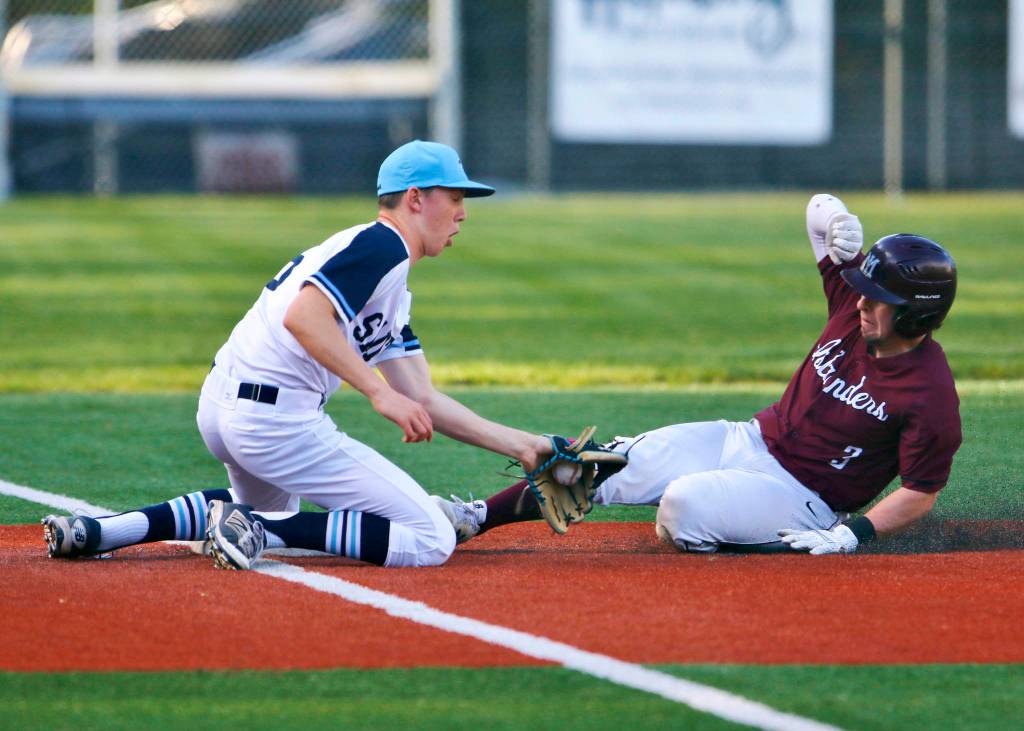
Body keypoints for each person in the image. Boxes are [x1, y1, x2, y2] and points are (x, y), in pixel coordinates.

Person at [42, 140, 555, 569]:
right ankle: (258, 527)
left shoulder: (386, 278)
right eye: (455, 195)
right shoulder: (385, 246)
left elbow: (421, 395)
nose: (463, 211)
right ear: (415, 198)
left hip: (225, 409)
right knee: (430, 539)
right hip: (276, 421)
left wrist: (525, 446)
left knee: (261, 512)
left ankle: (102, 530)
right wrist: (377, 393)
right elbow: (305, 318)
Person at [444, 194, 962, 554]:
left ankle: (787, 543)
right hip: (746, 438)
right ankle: (473, 519)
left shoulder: (930, 394)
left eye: (881, 299)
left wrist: (856, 534)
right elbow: (817, 210)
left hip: (805, 497)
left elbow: (920, 491)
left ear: (916, 315)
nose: (864, 303)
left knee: (683, 508)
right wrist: (838, 220)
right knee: (599, 465)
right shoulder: (853, 308)